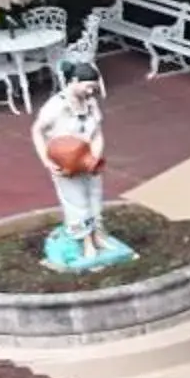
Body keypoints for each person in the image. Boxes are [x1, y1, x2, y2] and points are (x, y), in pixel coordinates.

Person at [31, 58, 117, 268]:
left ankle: (97, 234)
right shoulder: (55, 107)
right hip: (66, 163)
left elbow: (96, 132)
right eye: (88, 87)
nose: (91, 92)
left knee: (94, 197)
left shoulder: (91, 104)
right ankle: (85, 240)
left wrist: (95, 156)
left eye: (94, 88)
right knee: (76, 202)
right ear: (75, 81)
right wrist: (46, 160)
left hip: (88, 162)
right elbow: (37, 131)